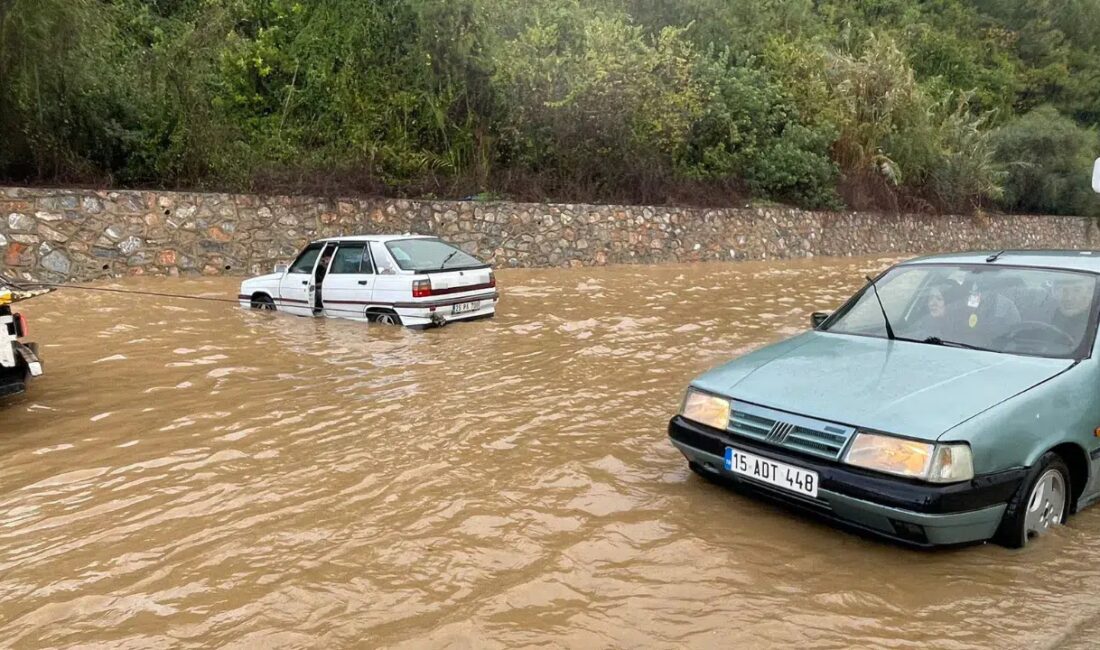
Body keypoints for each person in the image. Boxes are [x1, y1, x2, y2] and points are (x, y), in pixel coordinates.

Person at [1049, 274, 1094, 346]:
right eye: (1063, 290)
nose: (1068, 297)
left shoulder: (1095, 322)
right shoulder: (1046, 314)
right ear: (1054, 293)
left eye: (1077, 290)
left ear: (1090, 293)